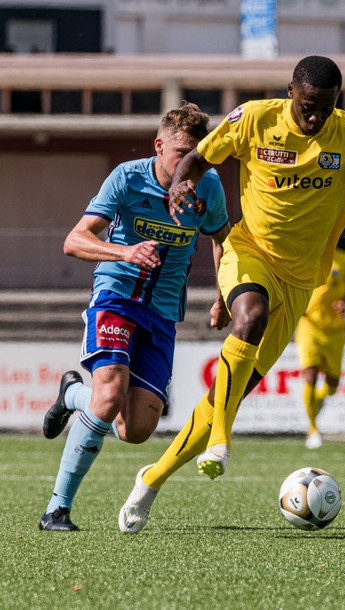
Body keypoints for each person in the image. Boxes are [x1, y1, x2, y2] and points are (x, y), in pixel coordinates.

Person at [119, 55, 345, 533]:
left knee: (224, 396)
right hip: (250, 250)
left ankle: (150, 479)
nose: (316, 117)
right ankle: (222, 437)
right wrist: (179, 184)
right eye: (308, 106)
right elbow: (199, 158)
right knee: (248, 316)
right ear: (291, 93)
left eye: (326, 107)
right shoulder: (255, 119)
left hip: (300, 282)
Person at [38, 102, 230, 531]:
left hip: (162, 313)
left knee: (136, 429)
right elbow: (75, 240)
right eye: (181, 153)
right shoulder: (127, 177)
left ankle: (71, 396)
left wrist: (223, 295)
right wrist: (124, 250)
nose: (190, 163)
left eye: (197, 155)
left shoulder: (209, 187)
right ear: (159, 146)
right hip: (116, 297)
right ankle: (57, 509)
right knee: (108, 397)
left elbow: (222, 240)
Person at [295, 246, 345, 449]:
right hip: (309, 326)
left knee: (332, 385)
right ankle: (313, 429)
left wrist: (344, 301)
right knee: (310, 375)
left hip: (335, 330)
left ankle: (319, 399)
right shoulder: (307, 256)